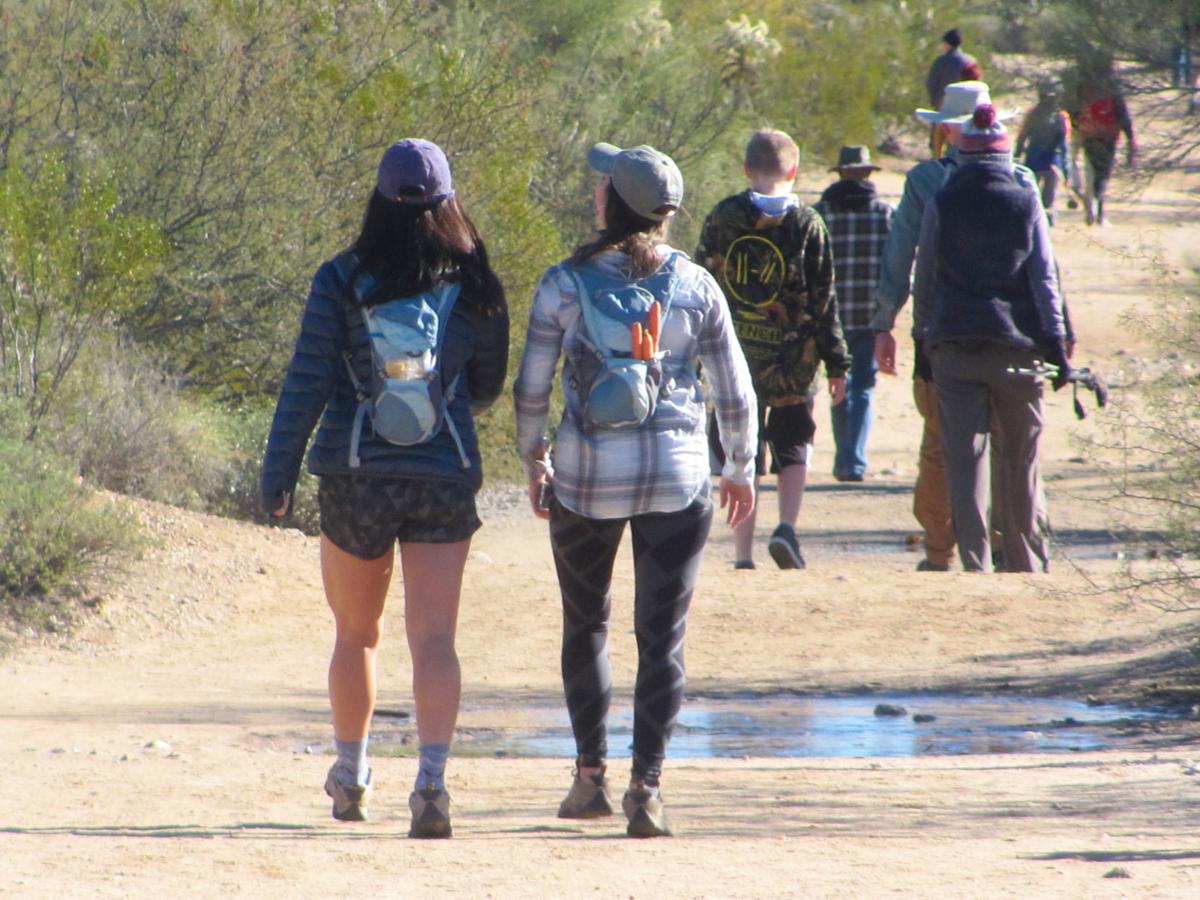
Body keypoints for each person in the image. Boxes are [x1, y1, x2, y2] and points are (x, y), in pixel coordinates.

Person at [260, 139, 509, 837]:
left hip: (354, 475)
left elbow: (307, 380)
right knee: (434, 638)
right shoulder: (477, 282)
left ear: (378, 197)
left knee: (355, 634)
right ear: (447, 201)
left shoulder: (340, 277)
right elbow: (487, 385)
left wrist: (277, 475)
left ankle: (352, 774)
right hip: (443, 477)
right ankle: (430, 781)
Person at [514, 141, 757, 837]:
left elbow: (531, 389)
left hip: (585, 478)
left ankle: (589, 778)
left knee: (586, 622)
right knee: (663, 638)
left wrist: (536, 459)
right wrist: (740, 465)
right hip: (677, 481)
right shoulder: (696, 285)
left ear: (608, 203)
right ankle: (646, 788)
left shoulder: (564, 283)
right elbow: (733, 389)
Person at [872, 81, 1071, 572]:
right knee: (1020, 455)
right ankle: (1024, 554)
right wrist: (1059, 339)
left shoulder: (928, 186)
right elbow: (1044, 273)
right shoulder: (1024, 185)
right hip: (1018, 340)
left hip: (952, 337)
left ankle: (961, 556)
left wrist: (906, 332)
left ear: (952, 130)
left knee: (955, 454)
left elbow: (912, 265)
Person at [695, 128, 848, 570]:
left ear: (747, 170)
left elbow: (699, 281)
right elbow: (825, 299)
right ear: (794, 171)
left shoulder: (725, 216)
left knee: (742, 451)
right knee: (793, 442)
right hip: (793, 360)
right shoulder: (809, 225)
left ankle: (743, 553)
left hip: (733, 358)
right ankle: (787, 528)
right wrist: (837, 361)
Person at [814, 146, 894, 482]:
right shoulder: (885, 214)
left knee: (839, 384)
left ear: (841, 173)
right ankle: (853, 461)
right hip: (870, 315)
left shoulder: (821, 214)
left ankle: (844, 458)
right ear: (867, 174)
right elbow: (897, 265)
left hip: (829, 316)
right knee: (863, 386)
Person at [1069, 57, 1136, 226]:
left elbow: (1074, 111)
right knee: (1103, 175)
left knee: (1090, 170)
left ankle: (1091, 206)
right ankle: (1099, 212)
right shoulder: (1113, 88)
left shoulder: (1084, 86)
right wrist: (1131, 140)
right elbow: (1123, 115)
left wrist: (1078, 128)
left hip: (1088, 134)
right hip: (1108, 137)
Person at [1016, 79, 1073, 224]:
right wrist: (1067, 173)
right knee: (1048, 199)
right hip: (1051, 162)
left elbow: (1022, 138)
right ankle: (1046, 225)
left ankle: (1035, 223)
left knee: (1031, 196)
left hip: (1034, 161)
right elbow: (1064, 147)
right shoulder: (1062, 117)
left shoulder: (1033, 114)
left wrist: (1016, 157)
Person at [926, 28, 980, 157]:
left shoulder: (940, 62)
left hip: (943, 108)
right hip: (967, 111)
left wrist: (935, 102)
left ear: (946, 44)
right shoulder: (971, 61)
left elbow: (931, 84)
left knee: (936, 146)